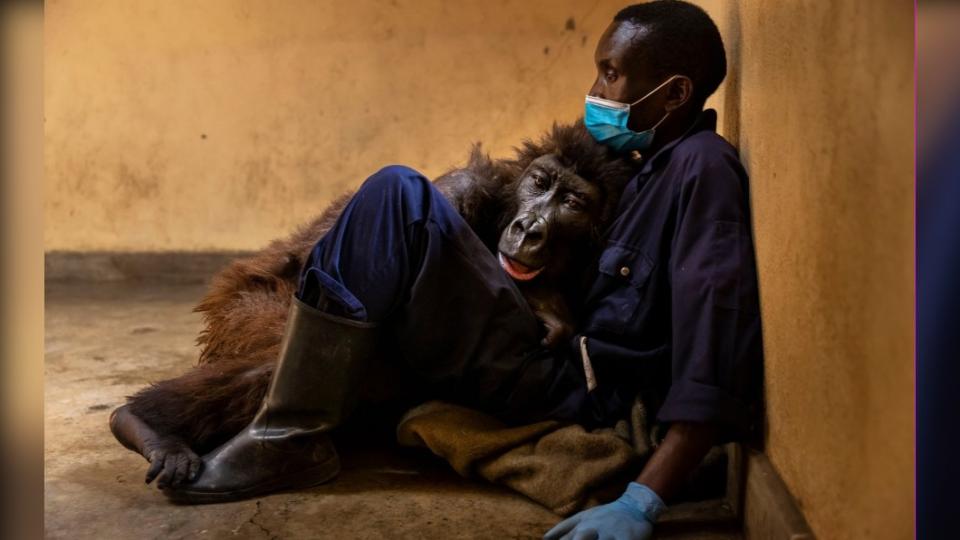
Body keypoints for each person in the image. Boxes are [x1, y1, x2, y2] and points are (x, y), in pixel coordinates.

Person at [166, 2, 763, 539]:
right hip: (539, 349)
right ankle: (284, 414)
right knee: (406, 203)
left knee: (399, 195)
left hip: (566, 387)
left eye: (611, 72)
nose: (596, 87)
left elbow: (714, 341)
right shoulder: (642, 163)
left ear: (675, 93)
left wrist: (642, 499)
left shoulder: (702, 171)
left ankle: (286, 437)